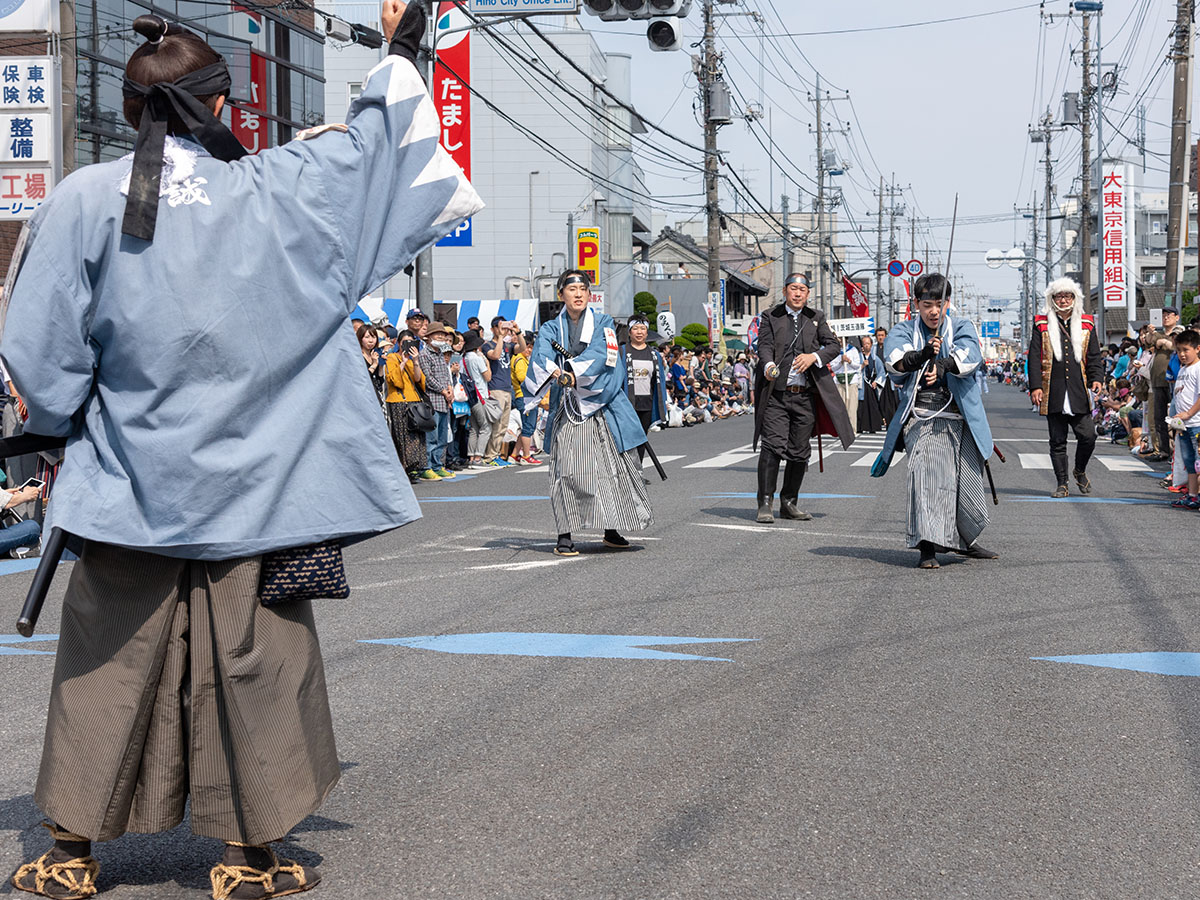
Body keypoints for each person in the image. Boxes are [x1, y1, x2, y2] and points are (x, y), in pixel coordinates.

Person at [0, 1, 482, 897]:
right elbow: (380, 148)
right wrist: (402, 39)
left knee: (107, 660)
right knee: (258, 657)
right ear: (220, 108)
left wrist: (62, 425)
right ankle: (250, 857)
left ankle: (70, 852)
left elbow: (38, 349)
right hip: (266, 481)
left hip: (128, 479)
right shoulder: (284, 185)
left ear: (133, 109)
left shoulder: (79, 198)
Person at [523, 270, 652, 556]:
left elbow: (602, 355)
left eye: (583, 288)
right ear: (561, 295)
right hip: (568, 407)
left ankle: (611, 529)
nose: (578, 294)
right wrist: (555, 370)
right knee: (566, 471)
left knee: (611, 468)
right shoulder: (549, 329)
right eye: (572, 289)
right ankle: (565, 534)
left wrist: (572, 370)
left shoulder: (603, 323)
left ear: (589, 294)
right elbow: (541, 357)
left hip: (601, 403)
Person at [873, 273, 997, 569]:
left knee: (966, 481)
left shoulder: (961, 326)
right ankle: (927, 546)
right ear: (916, 303)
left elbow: (971, 354)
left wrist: (943, 364)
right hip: (923, 417)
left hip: (960, 415)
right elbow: (895, 360)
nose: (933, 311)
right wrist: (921, 356)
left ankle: (966, 539)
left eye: (939, 304)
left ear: (948, 303)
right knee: (927, 477)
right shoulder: (904, 330)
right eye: (927, 304)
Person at [752, 273, 854, 524]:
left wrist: (814, 357)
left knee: (799, 451)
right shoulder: (770, 316)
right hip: (777, 394)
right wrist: (767, 365)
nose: (797, 294)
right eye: (793, 289)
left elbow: (832, 346)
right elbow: (763, 345)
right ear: (785, 291)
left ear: (808, 294)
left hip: (805, 395)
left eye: (802, 290)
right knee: (772, 446)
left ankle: (790, 502)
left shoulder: (816, 318)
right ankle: (765, 502)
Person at [1027, 278, 1103, 497]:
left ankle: (1079, 470)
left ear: (1074, 298)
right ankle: (1062, 483)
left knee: (1088, 436)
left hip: (1079, 389)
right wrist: (1035, 387)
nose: (1063, 300)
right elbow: (1034, 356)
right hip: (1053, 389)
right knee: (1057, 441)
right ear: (1052, 299)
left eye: (1067, 296)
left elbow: (1094, 355)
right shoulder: (1041, 323)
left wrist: (1097, 377)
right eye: (1059, 296)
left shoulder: (1087, 323)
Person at [623, 313, 668, 461]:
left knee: (641, 437)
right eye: (635, 328)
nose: (639, 332)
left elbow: (659, 380)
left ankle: (638, 470)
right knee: (627, 437)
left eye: (642, 328)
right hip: (626, 402)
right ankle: (626, 470)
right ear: (629, 332)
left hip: (647, 402)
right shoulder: (622, 352)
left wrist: (663, 401)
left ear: (647, 332)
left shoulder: (654, 355)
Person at [481, 316, 525, 467]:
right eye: (500, 327)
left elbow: (523, 349)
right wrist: (500, 337)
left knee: (503, 426)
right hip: (495, 389)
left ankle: (496, 454)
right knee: (496, 425)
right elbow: (495, 355)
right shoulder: (487, 345)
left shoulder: (508, 345)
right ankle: (489, 456)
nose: (504, 330)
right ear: (492, 328)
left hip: (507, 389)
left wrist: (517, 332)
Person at [418, 322, 456, 480]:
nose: (441, 337)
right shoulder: (424, 354)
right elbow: (427, 378)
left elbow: (446, 374)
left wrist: (450, 389)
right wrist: (443, 390)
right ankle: (427, 467)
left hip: (444, 400)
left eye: (442, 334)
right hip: (432, 400)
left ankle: (437, 465)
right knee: (431, 437)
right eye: (437, 334)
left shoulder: (441, 353)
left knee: (442, 437)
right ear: (428, 337)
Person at [1167, 329, 1200, 508]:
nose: (1182, 354)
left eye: (1186, 350)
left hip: (1196, 423)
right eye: (1179, 350)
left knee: (1197, 462)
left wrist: (1189, 414)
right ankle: (1192, 495)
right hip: (1184, 425)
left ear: (1197, 348)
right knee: (1189, 462)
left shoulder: (1198, 368)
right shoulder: (1182, 370)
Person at [510, 331, 542, 465]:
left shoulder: (521, 359)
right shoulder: (519, 359)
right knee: (529, 427)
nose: (529, 350)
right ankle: (526, 455)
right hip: (525, 397)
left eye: (531, 347)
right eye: (528, 347)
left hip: (524, 396)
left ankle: (515, 454)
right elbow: (522, 378)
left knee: (526, 427)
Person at [462, 331, 493, 467]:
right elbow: (488, 377)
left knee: (474, 428)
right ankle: (478, 457)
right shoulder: (477, 358)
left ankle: (471, 457)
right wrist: (487, 361)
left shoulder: (464, 358)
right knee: (485, 427)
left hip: (470, 395)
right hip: (480, 395)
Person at [829, 340, 863, 431]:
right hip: (839, 381)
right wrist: (840, 362)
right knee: (840, 408)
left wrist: (849, 361)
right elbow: (833, 367)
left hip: (851, 381)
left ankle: (852, 430)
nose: (840, 340)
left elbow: (857, 366)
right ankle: (841, 431)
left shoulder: (853, 350)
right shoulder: (834, 351)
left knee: (852, 407)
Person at [857, 334, 886, 434]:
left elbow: (882, 372)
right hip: (861, 384)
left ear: (871, 345)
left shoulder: (875, 359)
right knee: (860, 406)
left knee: (872, 406)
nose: (866, 346)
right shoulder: (858, 357)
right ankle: (859, 427)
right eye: (864, 344)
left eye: (868, 343)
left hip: (871, 385)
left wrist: (876, 381)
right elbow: (853, 370)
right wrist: (862, 366)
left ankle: (872, 427)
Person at [357, 321, 384, 403]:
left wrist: (381, 365)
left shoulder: (374, 354)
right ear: (360, 338)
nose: (371, 340)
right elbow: (363, 378)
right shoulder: (357, 356)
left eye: (373, 337)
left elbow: (380, 381)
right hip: (363, 397)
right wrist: (374, 364)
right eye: (367, 337)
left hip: (375, 397)